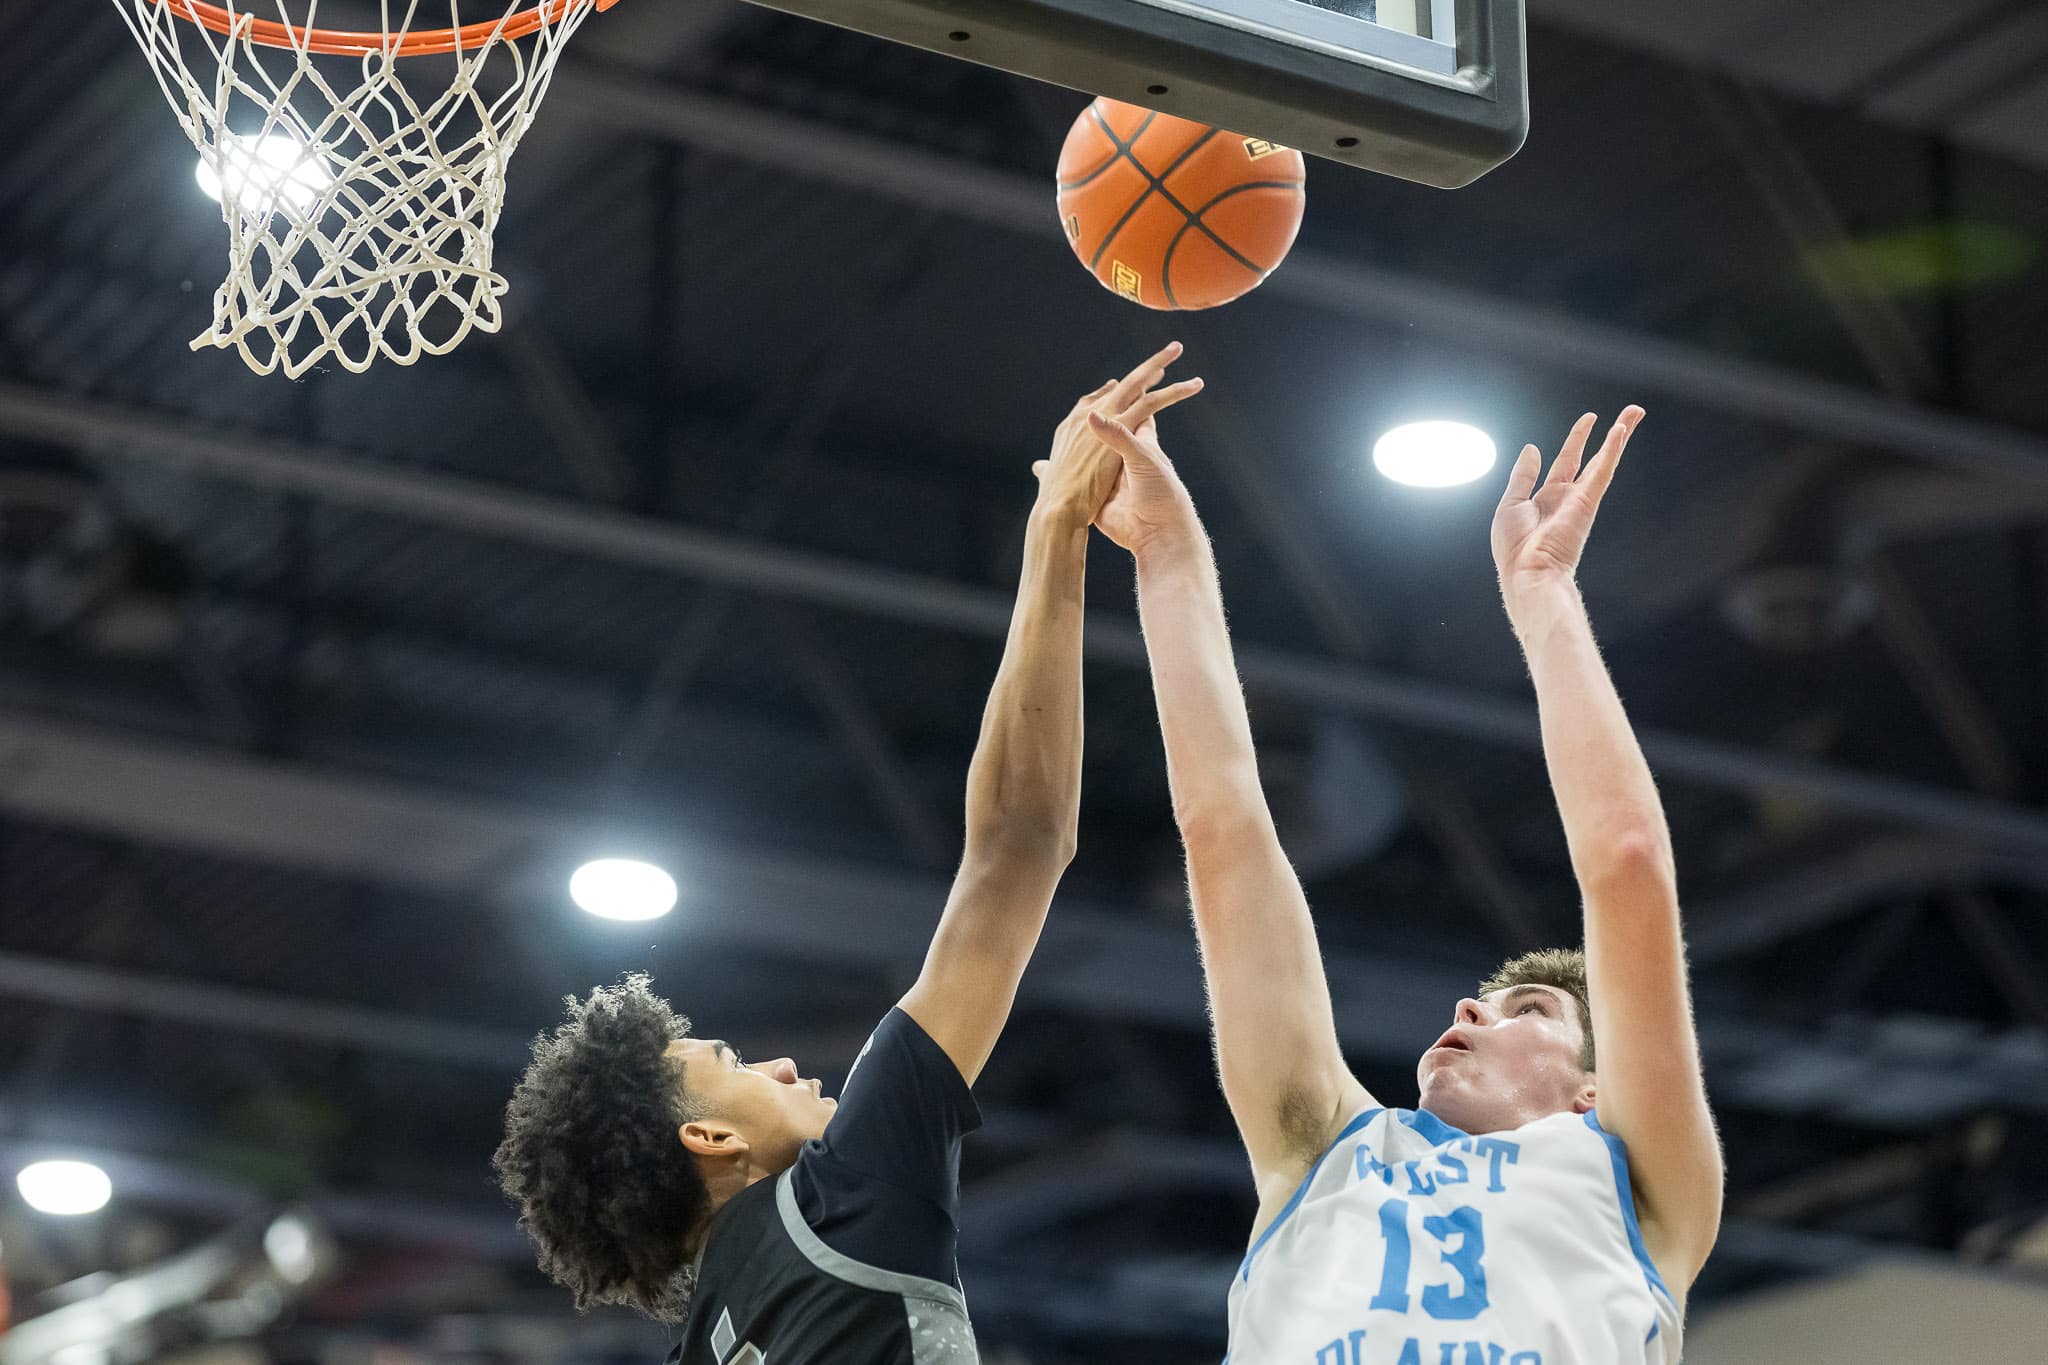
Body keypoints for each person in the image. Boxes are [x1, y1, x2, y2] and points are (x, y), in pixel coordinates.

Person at [492, 344, 1202, 1364]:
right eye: (730, 1063)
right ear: (711, 1139)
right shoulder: (835, 1200)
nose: (781, 1062)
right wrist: (1055, 530)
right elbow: (1019, 842)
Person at [1085, 401, 1722, 1364]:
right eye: (1493, 999)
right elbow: (1224, 832)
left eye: (1530, 1009)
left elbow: (1627, 860)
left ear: (1594, 1089)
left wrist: (1543, 592)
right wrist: (1168, 554)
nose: (1472, 1006)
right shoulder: (1324, 1147)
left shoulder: (1636, 1182)